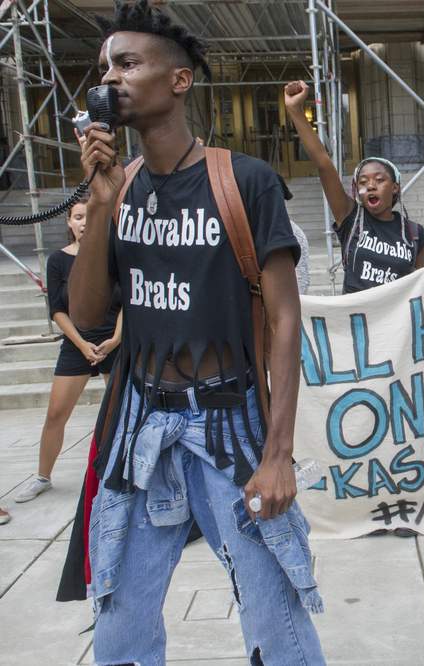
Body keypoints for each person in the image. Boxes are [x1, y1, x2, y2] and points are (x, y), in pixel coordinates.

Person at [67, 2, 324, 663]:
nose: (110, 79)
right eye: (104, 67)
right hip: (140, 430)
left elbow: (285, 316)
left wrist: (278, 454)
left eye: (128, 63)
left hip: (229, 428)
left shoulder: (244, 181)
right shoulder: (116, 189)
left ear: (179, 80)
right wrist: (97, 206)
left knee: (274, 618)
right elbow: (91, 313)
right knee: (119, 623)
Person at [14, 196, 123, 505]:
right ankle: (42, 477)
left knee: (120, 414)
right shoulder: (58, 260)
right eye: (77, 217)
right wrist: (81, 343)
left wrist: (115, 339)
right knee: (56, 414)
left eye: (89, 216)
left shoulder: (113, 255)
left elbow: (130, 301)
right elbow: (57, 310)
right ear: (69, 223)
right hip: (77, 344)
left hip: (113, 343)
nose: (84, 222)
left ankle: (120, 473)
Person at [283, 80, 424, 294]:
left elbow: (418, 289)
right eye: (363, 182)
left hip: (396, 325)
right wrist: (295, 111)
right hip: (355, 324)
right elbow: (323, 163)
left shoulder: (415, 234)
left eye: (379, 180)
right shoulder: (349, 219)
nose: (370, 186)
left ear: (395, 187)